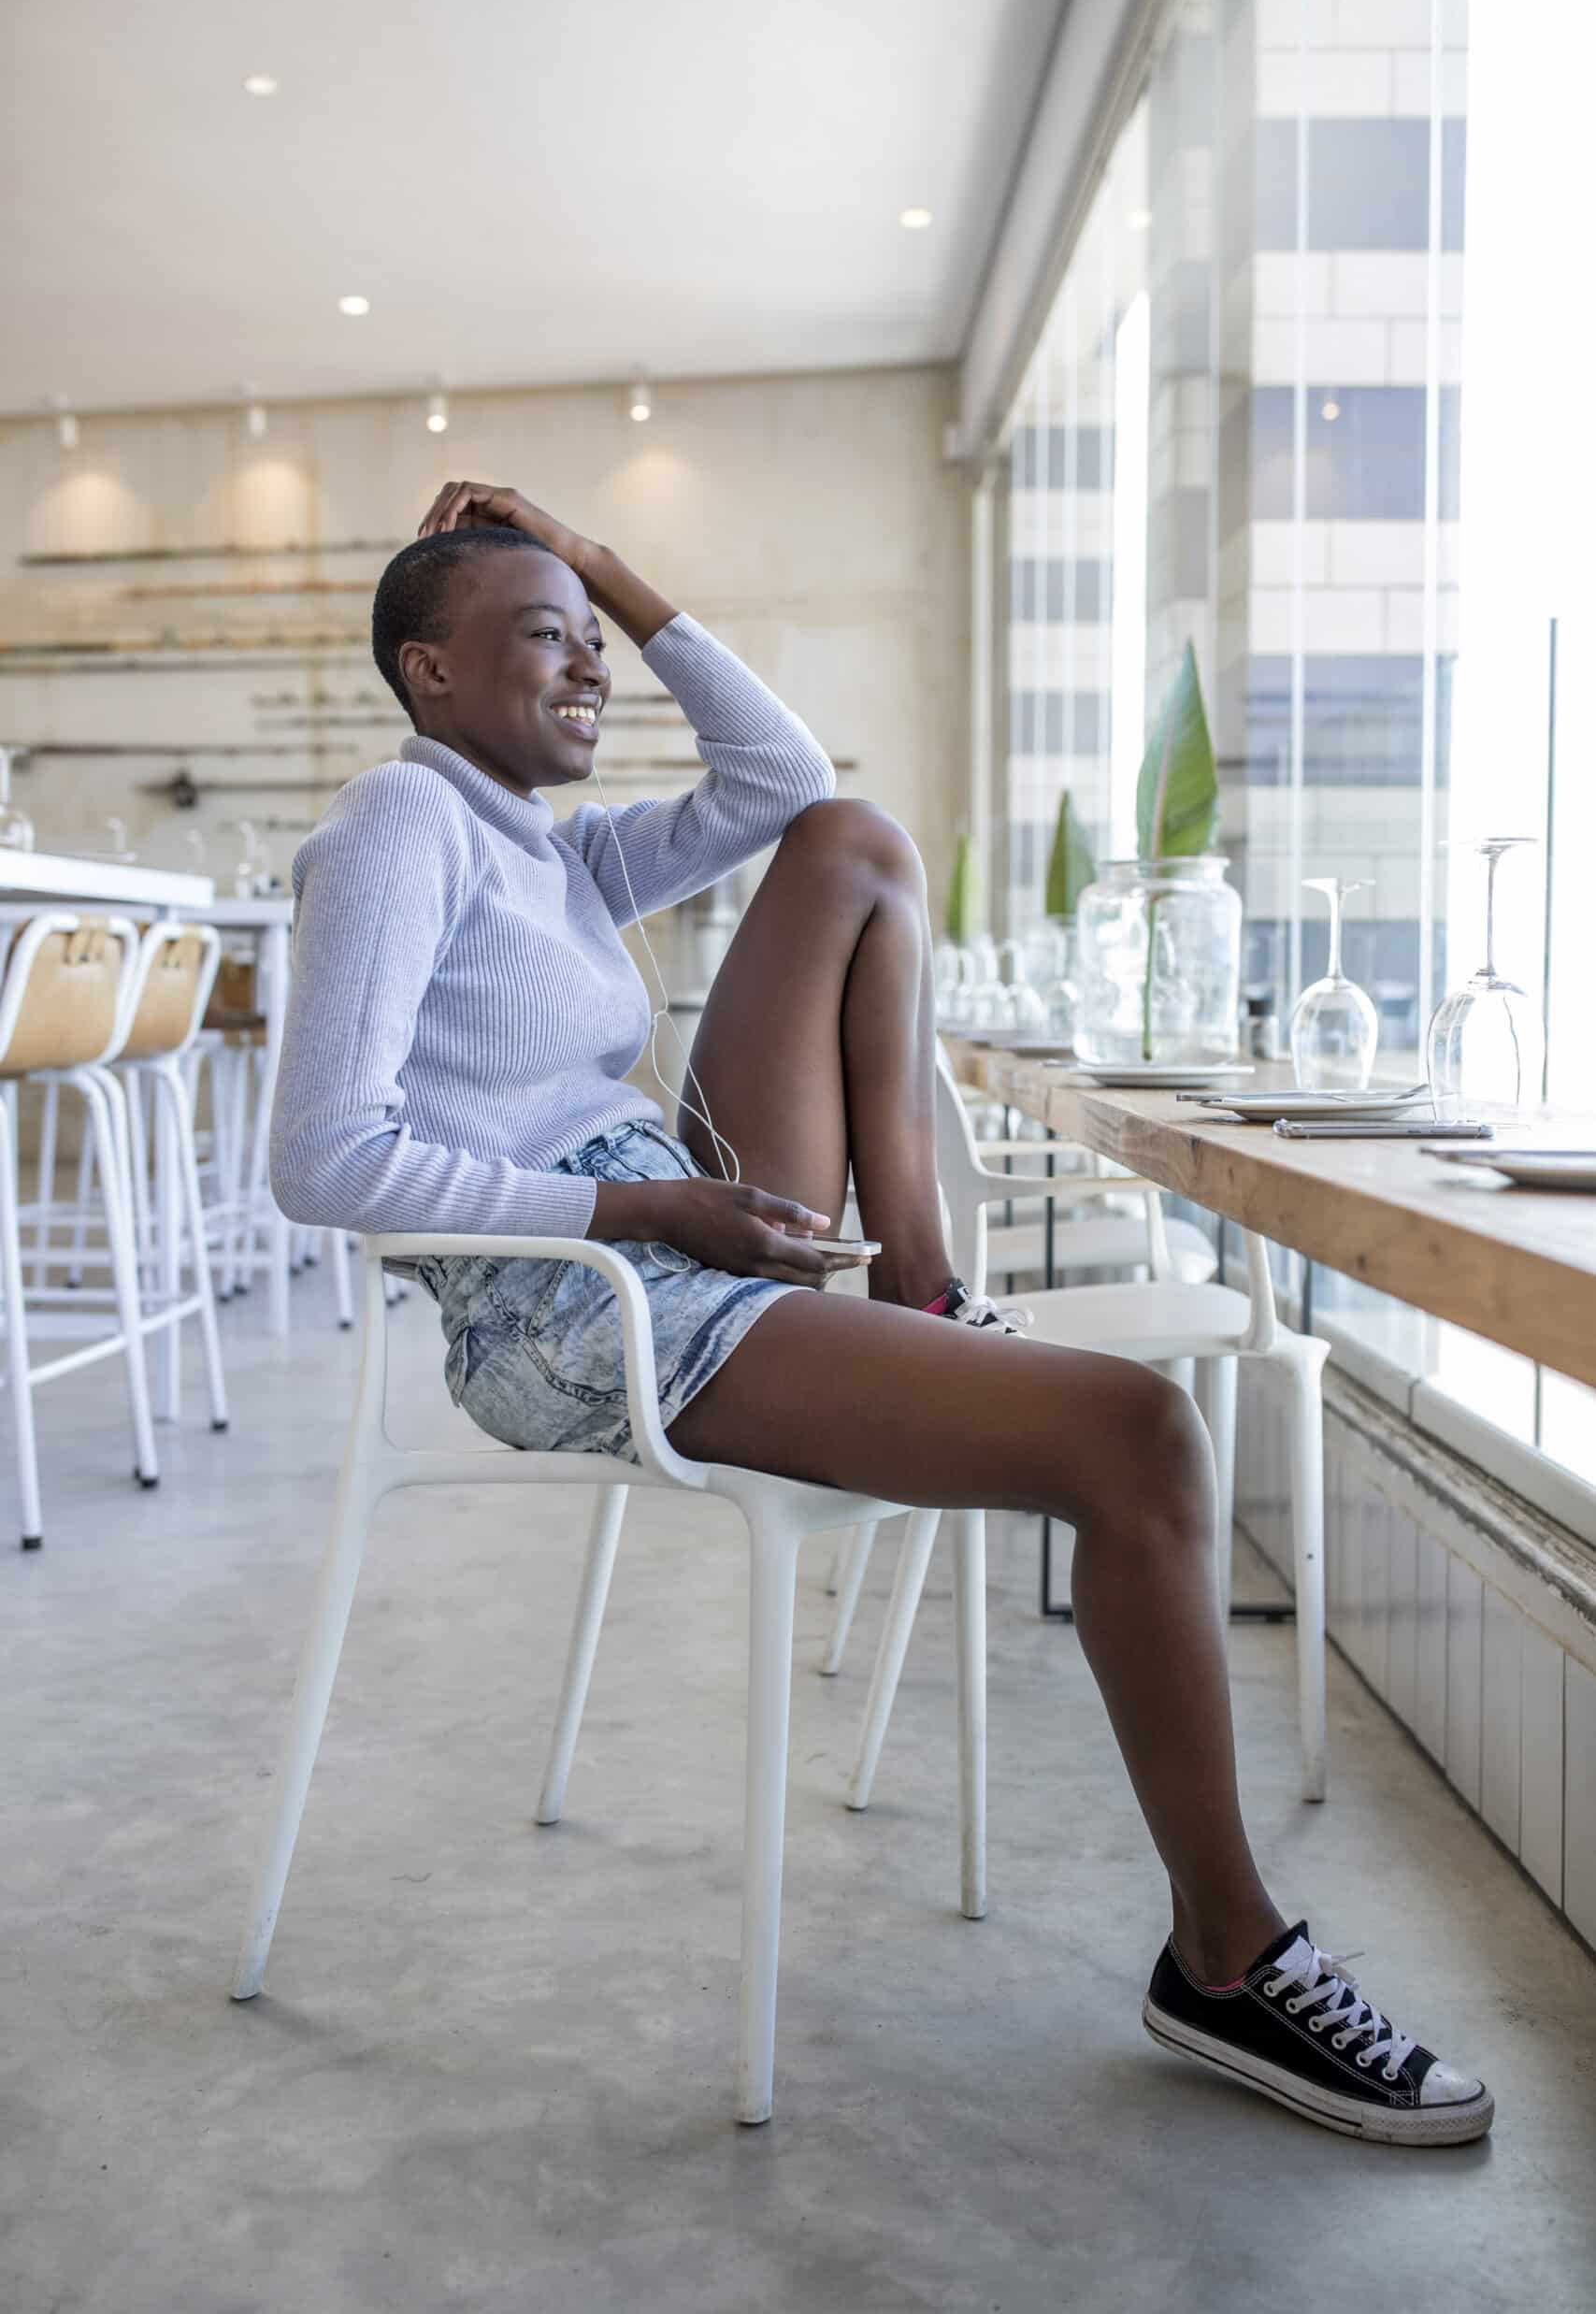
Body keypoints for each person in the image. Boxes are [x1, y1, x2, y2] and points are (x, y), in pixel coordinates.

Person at [271, 479, 1492, 2147]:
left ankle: (926, 1290)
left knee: (855, 845)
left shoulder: (550, 850)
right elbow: (325, 1162)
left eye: (593, 641)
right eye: (544, 638)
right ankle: (1226, 1959)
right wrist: (647, 1210)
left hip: (668, 1206)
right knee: (1137, 1431)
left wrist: (612, 567)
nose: (590, 671)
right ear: (427, 669)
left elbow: (784, 780)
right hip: (576, 1290)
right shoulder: (396, 827)